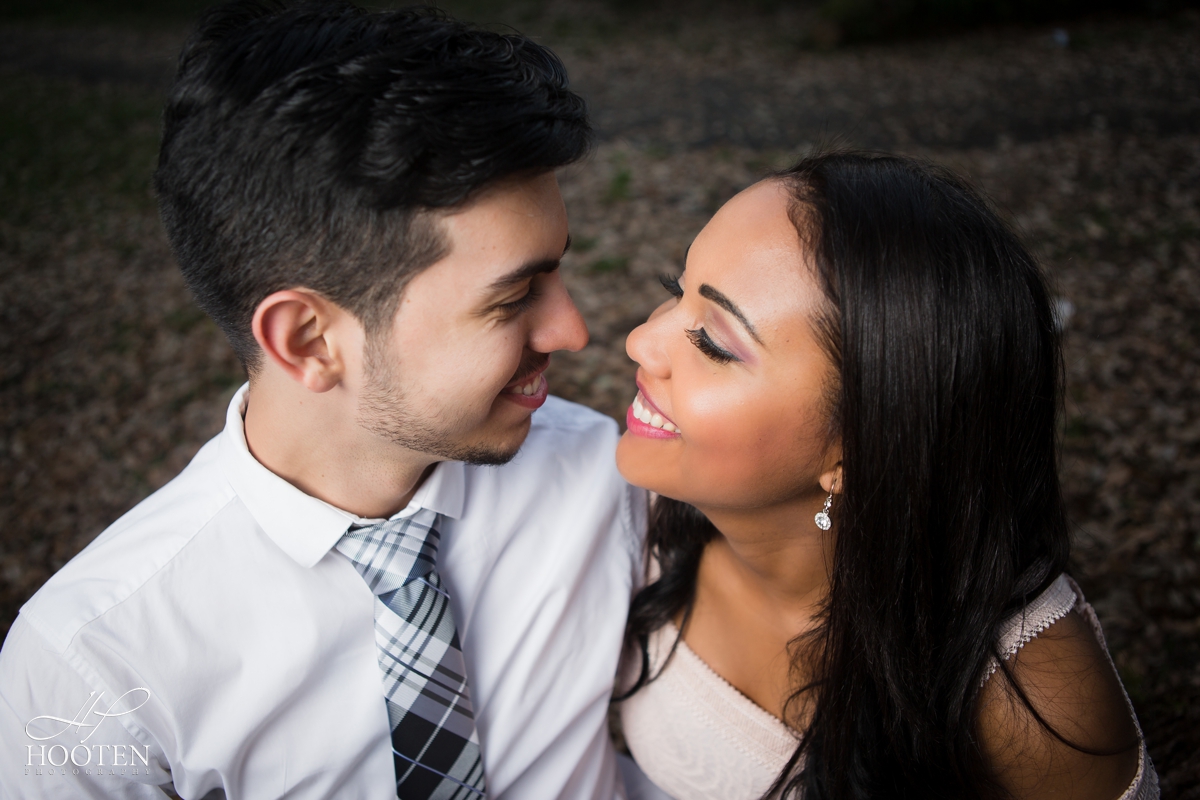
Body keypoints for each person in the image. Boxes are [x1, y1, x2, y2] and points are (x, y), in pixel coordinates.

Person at [0, 2, 644, 798]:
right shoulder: (93, 667)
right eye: (512, 300)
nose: (575, 330)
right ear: (307, 340)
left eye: (558, 271)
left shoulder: (606, 475)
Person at [613, 152, 1158, 800]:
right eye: (678, 289)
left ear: (860, 451)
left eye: (713, 342)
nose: (640, 341)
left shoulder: (1030, 703)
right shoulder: (631, 521)